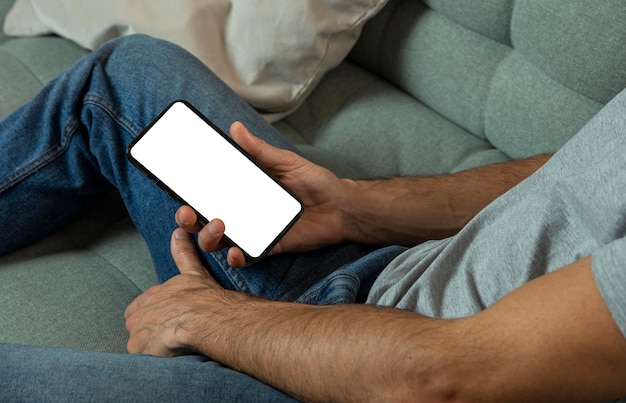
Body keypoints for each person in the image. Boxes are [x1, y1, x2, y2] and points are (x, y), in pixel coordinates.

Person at [1, 34, 625, 402]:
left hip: (363, 380)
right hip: (378, 285)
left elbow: (449, 379)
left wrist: (207, 317)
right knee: (125, 74)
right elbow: (574, 170)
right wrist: (358, 209)